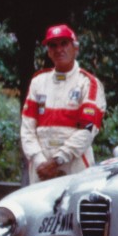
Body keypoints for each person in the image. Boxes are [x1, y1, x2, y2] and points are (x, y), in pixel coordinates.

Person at [20, 24, 106, 184]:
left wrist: (57, 161)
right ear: (48, 51)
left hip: (75, 165)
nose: (59, 49)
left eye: (64, 43)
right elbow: (27, 129)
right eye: (53, 45)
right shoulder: (38, 82)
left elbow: (87, 130)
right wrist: (40, 161)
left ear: (76, 48)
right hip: (41, 168)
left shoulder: (88, 84)